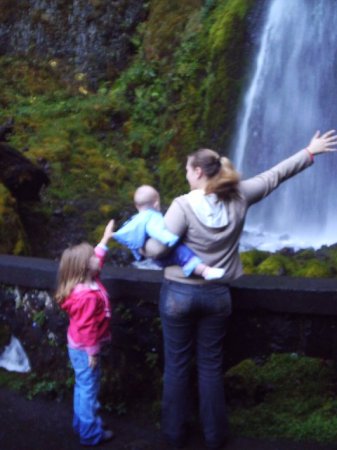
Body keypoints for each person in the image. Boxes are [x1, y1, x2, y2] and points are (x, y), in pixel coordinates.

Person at [143, 130, 337, 449]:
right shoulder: (240, 196)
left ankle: (174, 436)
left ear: (199, 173)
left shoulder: (181, 206)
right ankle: (216, 437)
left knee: (177, 366)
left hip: (179, 294)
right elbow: (274, 176)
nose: (185, 173)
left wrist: (146, 227)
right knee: (210, 367)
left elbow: (156, 251)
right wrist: (309, 152)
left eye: (188, 169)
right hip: (218, 295)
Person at [55, 220, 115, 447]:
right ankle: (90, 433)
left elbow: (98, 257)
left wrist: (105, 239)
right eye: (92, 258)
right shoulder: (86, 296)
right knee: (89, 389)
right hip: (85, 349)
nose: (96, 259)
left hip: (77, 346)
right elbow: (88, 327)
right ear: (84, 268)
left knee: (83, 386)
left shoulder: (86, 281)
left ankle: (82, 424)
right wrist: (93, 352)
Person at [113, 184, 225, 280]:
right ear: (156, 204)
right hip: (162, 255)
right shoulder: (151, 216)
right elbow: (156, 230)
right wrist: (170, 239)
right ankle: (205, 271)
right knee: (182, 252)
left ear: (136, 206)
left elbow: (130, 238)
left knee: (180, 256)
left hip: (154, 258)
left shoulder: (135, 219)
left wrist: (139, 255)